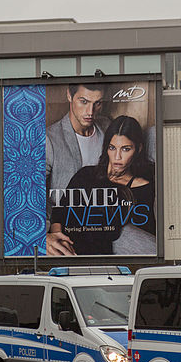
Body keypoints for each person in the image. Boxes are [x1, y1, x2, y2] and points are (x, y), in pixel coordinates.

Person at [48, 115, 156, 255]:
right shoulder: (85, 175)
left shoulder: (145, 188)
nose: (117, 157)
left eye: (125, 149)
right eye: (112, 148)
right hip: (71, 253)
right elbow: (59, 213)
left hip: (113, 258)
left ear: (138, 149)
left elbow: (140, 238)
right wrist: (59, 241)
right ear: (106, 148)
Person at [45, 84, 108, 255]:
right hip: (66, 232)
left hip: (106, 226)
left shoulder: (108, 128)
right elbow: (29, 194)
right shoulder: (50, 140)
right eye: (84, 101)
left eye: (98, 103)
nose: (90, 111)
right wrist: (43, 237)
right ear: (69, 96)